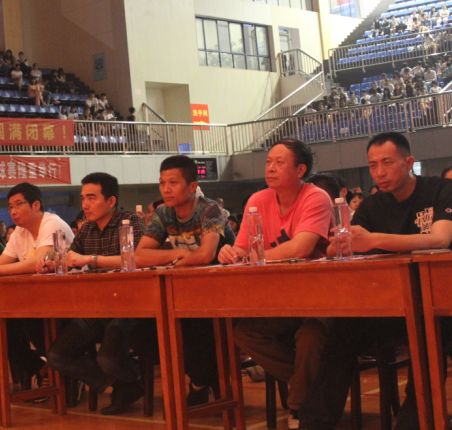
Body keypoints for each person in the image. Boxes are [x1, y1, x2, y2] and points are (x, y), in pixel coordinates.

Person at [299, 132, 452, 430]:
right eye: (373, 165)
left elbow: (440, 239)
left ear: (409, 162)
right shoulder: (372, 206)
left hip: (448, 304)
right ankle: (314, 423)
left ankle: (413, 423)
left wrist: (374, 239)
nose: (379, 172)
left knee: (426, 331)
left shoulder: (442, 189)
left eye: (387, 163)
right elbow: (337, 248)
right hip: (392, 303)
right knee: (343, 330)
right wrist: (341, 243)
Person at [219, 139, 334, 430]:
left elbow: (300, 248)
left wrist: (252, 258)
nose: (270, 168)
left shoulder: (316, 197)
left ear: (300, 170)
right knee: (245, 333)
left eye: (279, 162)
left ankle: (300, 407)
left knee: (310, 336)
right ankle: (307, 384)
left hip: (321, 296)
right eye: (268, 161)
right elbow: (243, 247)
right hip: (280, 297)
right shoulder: (258, 200)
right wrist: (230, 253)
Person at [43, 172, 145, 415]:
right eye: (82, 199)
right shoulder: (87, 228)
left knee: (107, 358)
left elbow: (136, 259)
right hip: (95, 307)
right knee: (57, 356)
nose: (85, 205)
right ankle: (124, 384)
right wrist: (53, 264)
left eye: (91, 198)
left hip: (128, 306)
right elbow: (72, 258)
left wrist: (91, 259)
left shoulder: (129, 221)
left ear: (111, 201)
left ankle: (132, 377)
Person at [134, 155, 230, 405]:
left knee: (193, 331)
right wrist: (178, 254)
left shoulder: (209, 208)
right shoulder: (164, 213)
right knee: (141, 332)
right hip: (183, 294)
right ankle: (203, 377)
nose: (166, 189)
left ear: (192, 186)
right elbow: (140, 255)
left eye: (173, 182)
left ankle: (201, 381)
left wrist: (174, 263)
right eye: (162, 183)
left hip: (221, 293)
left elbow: (206, 255)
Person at [0, 183, 74, 398]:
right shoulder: (20, 232)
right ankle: (41, 368)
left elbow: (37, 262)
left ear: (36, 205)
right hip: (34, 300)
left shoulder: (52, 224)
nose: (13, 211)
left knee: (25, 319)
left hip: (66, 300)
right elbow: (1, 262)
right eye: (10, 207)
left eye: (18, 205)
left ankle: (64, 375)